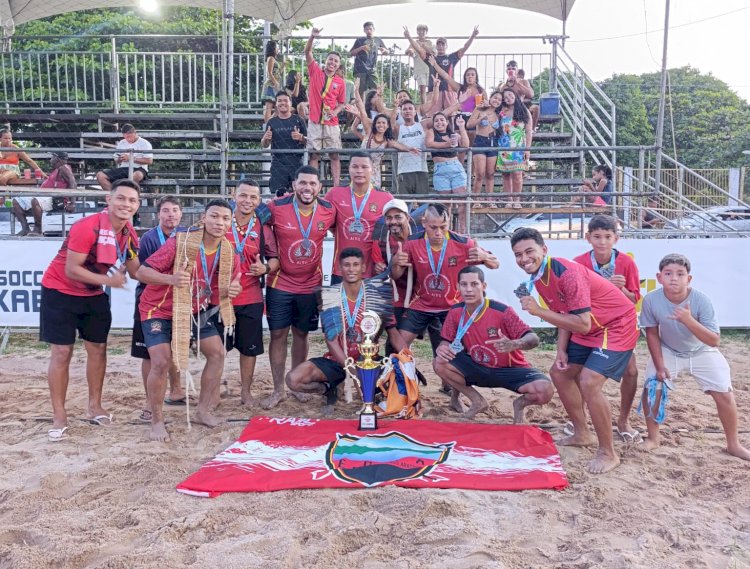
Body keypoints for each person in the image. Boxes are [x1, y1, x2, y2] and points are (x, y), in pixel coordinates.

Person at [510, 227, 639, 474]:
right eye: (518, 255)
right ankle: (582, 433)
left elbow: (581, 322)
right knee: (559, 372)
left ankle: (608, 453)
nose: (524, 259)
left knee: (590, 382)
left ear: (544, 250)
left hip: (616, 324)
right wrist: (561, 350)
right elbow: (565, 314)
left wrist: (538, 311)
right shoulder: (540, 276)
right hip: (590, 326)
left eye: (529, 251)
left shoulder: (566, 272)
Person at [41, 179, 141, 442]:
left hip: (93, 294)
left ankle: (94, 406)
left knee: (98, 349)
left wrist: (175, 275)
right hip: (60, 291)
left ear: (137, 206)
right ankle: (59, 415)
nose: (126, 204)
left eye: (132, 200)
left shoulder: (128, 232)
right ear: (108, 200)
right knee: (62, 353)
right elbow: (71, 269)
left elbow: (136, 270)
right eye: (121, 198)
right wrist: (109, 281)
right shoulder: (87, 226)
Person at [135, 199, 242, 441]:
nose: (219, 222)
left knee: (217, 354)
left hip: (193, 309)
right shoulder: (181, 241)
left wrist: (233, 288)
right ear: (204, 218)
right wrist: (171, 279)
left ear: (230, 223)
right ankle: (156, 421)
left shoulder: (228, 249)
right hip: (159, 308)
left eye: (225, 218)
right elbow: (142, 272)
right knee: (161, 362)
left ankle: (202, 411)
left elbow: (232, 282)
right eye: (214, 216)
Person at [639, 254, 749, 460]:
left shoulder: (701, 300)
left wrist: (688, 320)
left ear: (688, 279)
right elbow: (652, 333)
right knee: (651, 388)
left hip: (701, 351)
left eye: (680, 274)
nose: (674, 278)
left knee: (725, 394)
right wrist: (660, 365)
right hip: (669, 349)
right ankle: (653, 438)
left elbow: (714, 341)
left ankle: (733, 444)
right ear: (659, 276)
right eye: (668, 273)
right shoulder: (651, 299)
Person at [285, 247, 406, 413]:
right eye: (347, 265)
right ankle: (328, 388)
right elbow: (331, 341)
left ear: (363, 268)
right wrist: (351, 369)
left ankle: (375, 391)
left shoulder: (376, 295)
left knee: (391, 382)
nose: (351, 269)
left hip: (368, 359)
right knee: (293, 380)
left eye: (356, 264)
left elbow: (393, 333)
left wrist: (408, 358)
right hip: (337, 360)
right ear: (340, 268)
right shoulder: (330, 296)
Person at [434, 266, 553, 420]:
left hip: (509, 370)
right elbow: (446, 340)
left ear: (483, 286)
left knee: (545, 390)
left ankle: (519, 405)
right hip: (477, 367)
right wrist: (442, 348)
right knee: (439, 362)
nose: (469, 289)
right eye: (464, 284)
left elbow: (533, 339)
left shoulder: (503, 311)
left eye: (474, 284)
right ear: (458, 287)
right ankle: (477, 402)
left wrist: (515, 343)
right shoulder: (455, 311)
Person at [263, 166, 337, 409]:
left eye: (312, 184)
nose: (307, 188)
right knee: (278, 335)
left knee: (302, 334)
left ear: (320, 187)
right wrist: (270, 253)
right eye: (302, 183)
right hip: (280, 283)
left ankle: (294, 385)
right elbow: (253, 220)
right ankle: (277, 390)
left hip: (310, 284)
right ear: (294, 184)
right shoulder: (276, 206)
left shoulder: (329, 210)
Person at [391, 203, 499, 357]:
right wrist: (396, 262)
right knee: (399, 344)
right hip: (421, 304)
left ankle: (450, 379)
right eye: (433, 227)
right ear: (424, 223)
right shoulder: (412, 242)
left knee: (450, 354)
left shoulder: (463, 243)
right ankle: (406, 378)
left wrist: (485, 257)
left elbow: (495, 264)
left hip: (451, 307)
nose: (438, 232)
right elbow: (395, 275)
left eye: (443, 227)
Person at [573, 215, 641, 441]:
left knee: (631, 370)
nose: (602, 242)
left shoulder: (626, 263)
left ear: (616, 239)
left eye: (607, 237)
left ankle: (623, 419)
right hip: (591, 324)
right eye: (597, 236)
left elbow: (634, 300)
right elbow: (574, 300)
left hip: (619, 326)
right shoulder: (579, 262)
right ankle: (580, 419)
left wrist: (621, 290)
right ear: (588, 238)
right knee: (579, 370)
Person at [131, 195, 186, 424]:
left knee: (174, 349)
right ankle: (149, 402)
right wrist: (170, 279)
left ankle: (176, 390)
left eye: (174, 210)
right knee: (150, 354)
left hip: (178, 300)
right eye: (165, 210)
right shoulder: (149, 239)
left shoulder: (187, 236)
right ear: (158, 214)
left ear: (181, 213)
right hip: (150, 300)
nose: (170, 214)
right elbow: (143, 273)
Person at [225, 180, 279, 406]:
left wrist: (265, 268)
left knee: (249, 349)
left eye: (253, 197)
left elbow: (275, 259)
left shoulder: (263, 227)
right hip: (221, 297)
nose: (247, 201)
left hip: (251, 297)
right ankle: (213, 390)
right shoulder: (221, 220)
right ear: (234, 196)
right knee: (217, 349)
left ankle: (245, 392)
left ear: (258, 201)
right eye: (243, 196)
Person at [326, 152, 394, 284]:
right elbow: (323, 222)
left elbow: (395, 236)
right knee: (340, 305)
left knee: (368, 306)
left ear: (372, 169)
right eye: (355, 167)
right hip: (341, 271)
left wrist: (385, 261)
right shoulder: (334, 194)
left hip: (373, 272)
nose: (359, 171)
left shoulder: (386, 198)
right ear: (349, 169)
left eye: (364, 167)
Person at [304, 28, 346, 187]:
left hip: (332, 123)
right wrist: (312, 37)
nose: (332, 62)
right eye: (330, 59)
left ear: (338, 64)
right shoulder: (315, 71)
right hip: (314, 120)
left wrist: (334, 112)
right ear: (326, 60)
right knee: (314, 155)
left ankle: (336, 186)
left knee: (334, 155)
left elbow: (342, 103)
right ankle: (312, 184)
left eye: (336, 61)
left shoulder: (340, 82)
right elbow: (307, 52)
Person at [403, 26, 479, 113]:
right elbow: (419, 50)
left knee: (452, 116)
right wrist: (409, 37)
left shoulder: (452, 57)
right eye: (438, 44)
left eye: (443, 44)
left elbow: (464, 48)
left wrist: (473, 36)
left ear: (446, 46)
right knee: (432, 116)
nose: (440, 46)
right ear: (436, 46)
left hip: (449, 91)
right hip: (434, 91)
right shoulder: (432, 58)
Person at [371, 199, 414, 333]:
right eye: (389, 218)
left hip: (421, 296)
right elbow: (381, 274)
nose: (393, 221)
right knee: (395, 339)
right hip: (396, 297)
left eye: (398, 217)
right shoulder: (380, 240)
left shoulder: (420, 236)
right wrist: (389, 265)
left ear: (407, 217)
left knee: (439, 337)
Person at [13, 151, 76, 237]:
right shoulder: (57, 170)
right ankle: (25, 228)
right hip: (45, 196)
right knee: (17, 200)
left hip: (56, 199)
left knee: (36, 200)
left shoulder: (64, 168)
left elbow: (73, 183)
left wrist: (72, 203)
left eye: (52, 157)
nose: (50, 159)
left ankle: (38, 230)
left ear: (57, 159)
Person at [425, 112, 470, 230]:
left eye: (442, 120)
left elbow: (465, 146)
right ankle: (446, 231)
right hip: (440, 169)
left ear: (446, 122)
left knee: (462, 202)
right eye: (437, 121)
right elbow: (429, 144)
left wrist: (461, 127)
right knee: (445, 204)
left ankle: (462, 231)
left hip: (455, 167)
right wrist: (447, 144)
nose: (439, 123)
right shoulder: (431, 132)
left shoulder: (453, 134)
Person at [262, 91, 307, 197]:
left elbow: (308, 141)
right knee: (278, 197)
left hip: (296, 163)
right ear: (276, 104)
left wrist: (300, 137)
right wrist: (265, 138)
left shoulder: (298, 120)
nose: (283, 103)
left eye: (285, 100)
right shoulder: (271, 122)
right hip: (278, 165)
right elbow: (264, 144)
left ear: (290, 103)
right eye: (280, 101)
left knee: (299, 196)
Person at [351, 81, 393, 188]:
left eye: (383, 123)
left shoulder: (382, 114)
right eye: (374, 97)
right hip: (368, 140)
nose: (381, 124)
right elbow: (361, 110)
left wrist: (380, 94)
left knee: (375, 185)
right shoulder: (366, 116)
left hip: (377, 151)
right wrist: (356, 91)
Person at [496, 89, 532, 208]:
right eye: (505, 97)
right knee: (506, 174)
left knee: (517, 174)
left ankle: (517, 200)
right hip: (504, 146)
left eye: (510, 95)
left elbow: (528, 131)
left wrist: (527, 149)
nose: (508, 98)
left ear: (515, 95)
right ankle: (509, 200)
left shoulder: (524, 110)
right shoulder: (502, 111)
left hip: (518, 146)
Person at [388, 99, 430, 195]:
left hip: (421, 169)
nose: (407, 111)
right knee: (404, 203)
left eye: (410, 109)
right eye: (405, 109)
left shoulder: (422, 125)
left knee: (423, 203)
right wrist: (395, 108)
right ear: (401, 113)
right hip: (404, 170)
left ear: (415, 112)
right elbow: (392, 124)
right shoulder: (399, 128)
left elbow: (442, 116)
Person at [96, 124, 153, 192]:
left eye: (129, 136)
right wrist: (120, 159)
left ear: (135, 133)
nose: (127, 139)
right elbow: (117, 160)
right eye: (125, 137)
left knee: (137, 175)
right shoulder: (122, 143)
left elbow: (149, 161)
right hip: (123, 168)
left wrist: (130, 158)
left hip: (139, 168)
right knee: (100, 175)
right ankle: (114, 195)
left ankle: (126, 194)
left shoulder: (145, 143)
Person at [467, 90, 502, 197]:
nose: (497, 100)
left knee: (490, 174)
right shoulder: (479, 109)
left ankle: (489, 200)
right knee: (480, 174)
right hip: (480, 141)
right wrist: (481, 118)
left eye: (500, 99)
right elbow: (469, 125)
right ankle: (476, 199)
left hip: (493, 142)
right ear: (490, 98)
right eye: (495, 97)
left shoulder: (499, 113)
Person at [497, 61, 538, 131]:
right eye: (509, 69)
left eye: (513, 69)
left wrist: (518, 83)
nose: (511, 70)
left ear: (517, 71)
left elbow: (531, 94)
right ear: (507, 71)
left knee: (536, 108)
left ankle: (531, 130)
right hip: (508, 109)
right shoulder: (503, 86)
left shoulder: (523, 82)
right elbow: (500, 101)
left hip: (521, 107)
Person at [349, 22, 388, 96]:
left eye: (370, 29)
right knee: (359, 92)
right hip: (360, 69)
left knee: (377, 90)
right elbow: (351, 53)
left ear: (374, 29)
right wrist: (361, 48)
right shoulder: (359, 40)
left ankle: (376, 106)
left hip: (372, 70)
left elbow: (387, 51)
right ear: (364, 30)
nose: (369, 31)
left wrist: (384, 50)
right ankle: (360, 107)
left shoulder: (377, 40)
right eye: (366, 29)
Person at [404, 24, 435, 104]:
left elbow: (434, 52)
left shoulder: (430, 42)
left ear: (426, 32)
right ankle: (424, 107)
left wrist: (424, 47)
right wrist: (410, 51)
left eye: (423, 30)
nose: (421, 32)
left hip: (430, 68)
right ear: (417, 32)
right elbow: (407, 51)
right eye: (419, 30)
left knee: (432, 90)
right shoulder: (414, 42)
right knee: (422, 89)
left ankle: (430, 107)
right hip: (419, 68)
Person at [262, 40, 282, 124]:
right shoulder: (271, 58)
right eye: (277, 47)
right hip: (270, 85)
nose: (278, 49)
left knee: (278, 107)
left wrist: (282, 67)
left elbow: (276, 73)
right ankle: (268, 125)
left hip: (274, 85)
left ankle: (270, 123)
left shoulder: (273, 59)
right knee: (269, 107)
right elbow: (269, 72)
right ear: (273, 48)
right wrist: (275, 82)